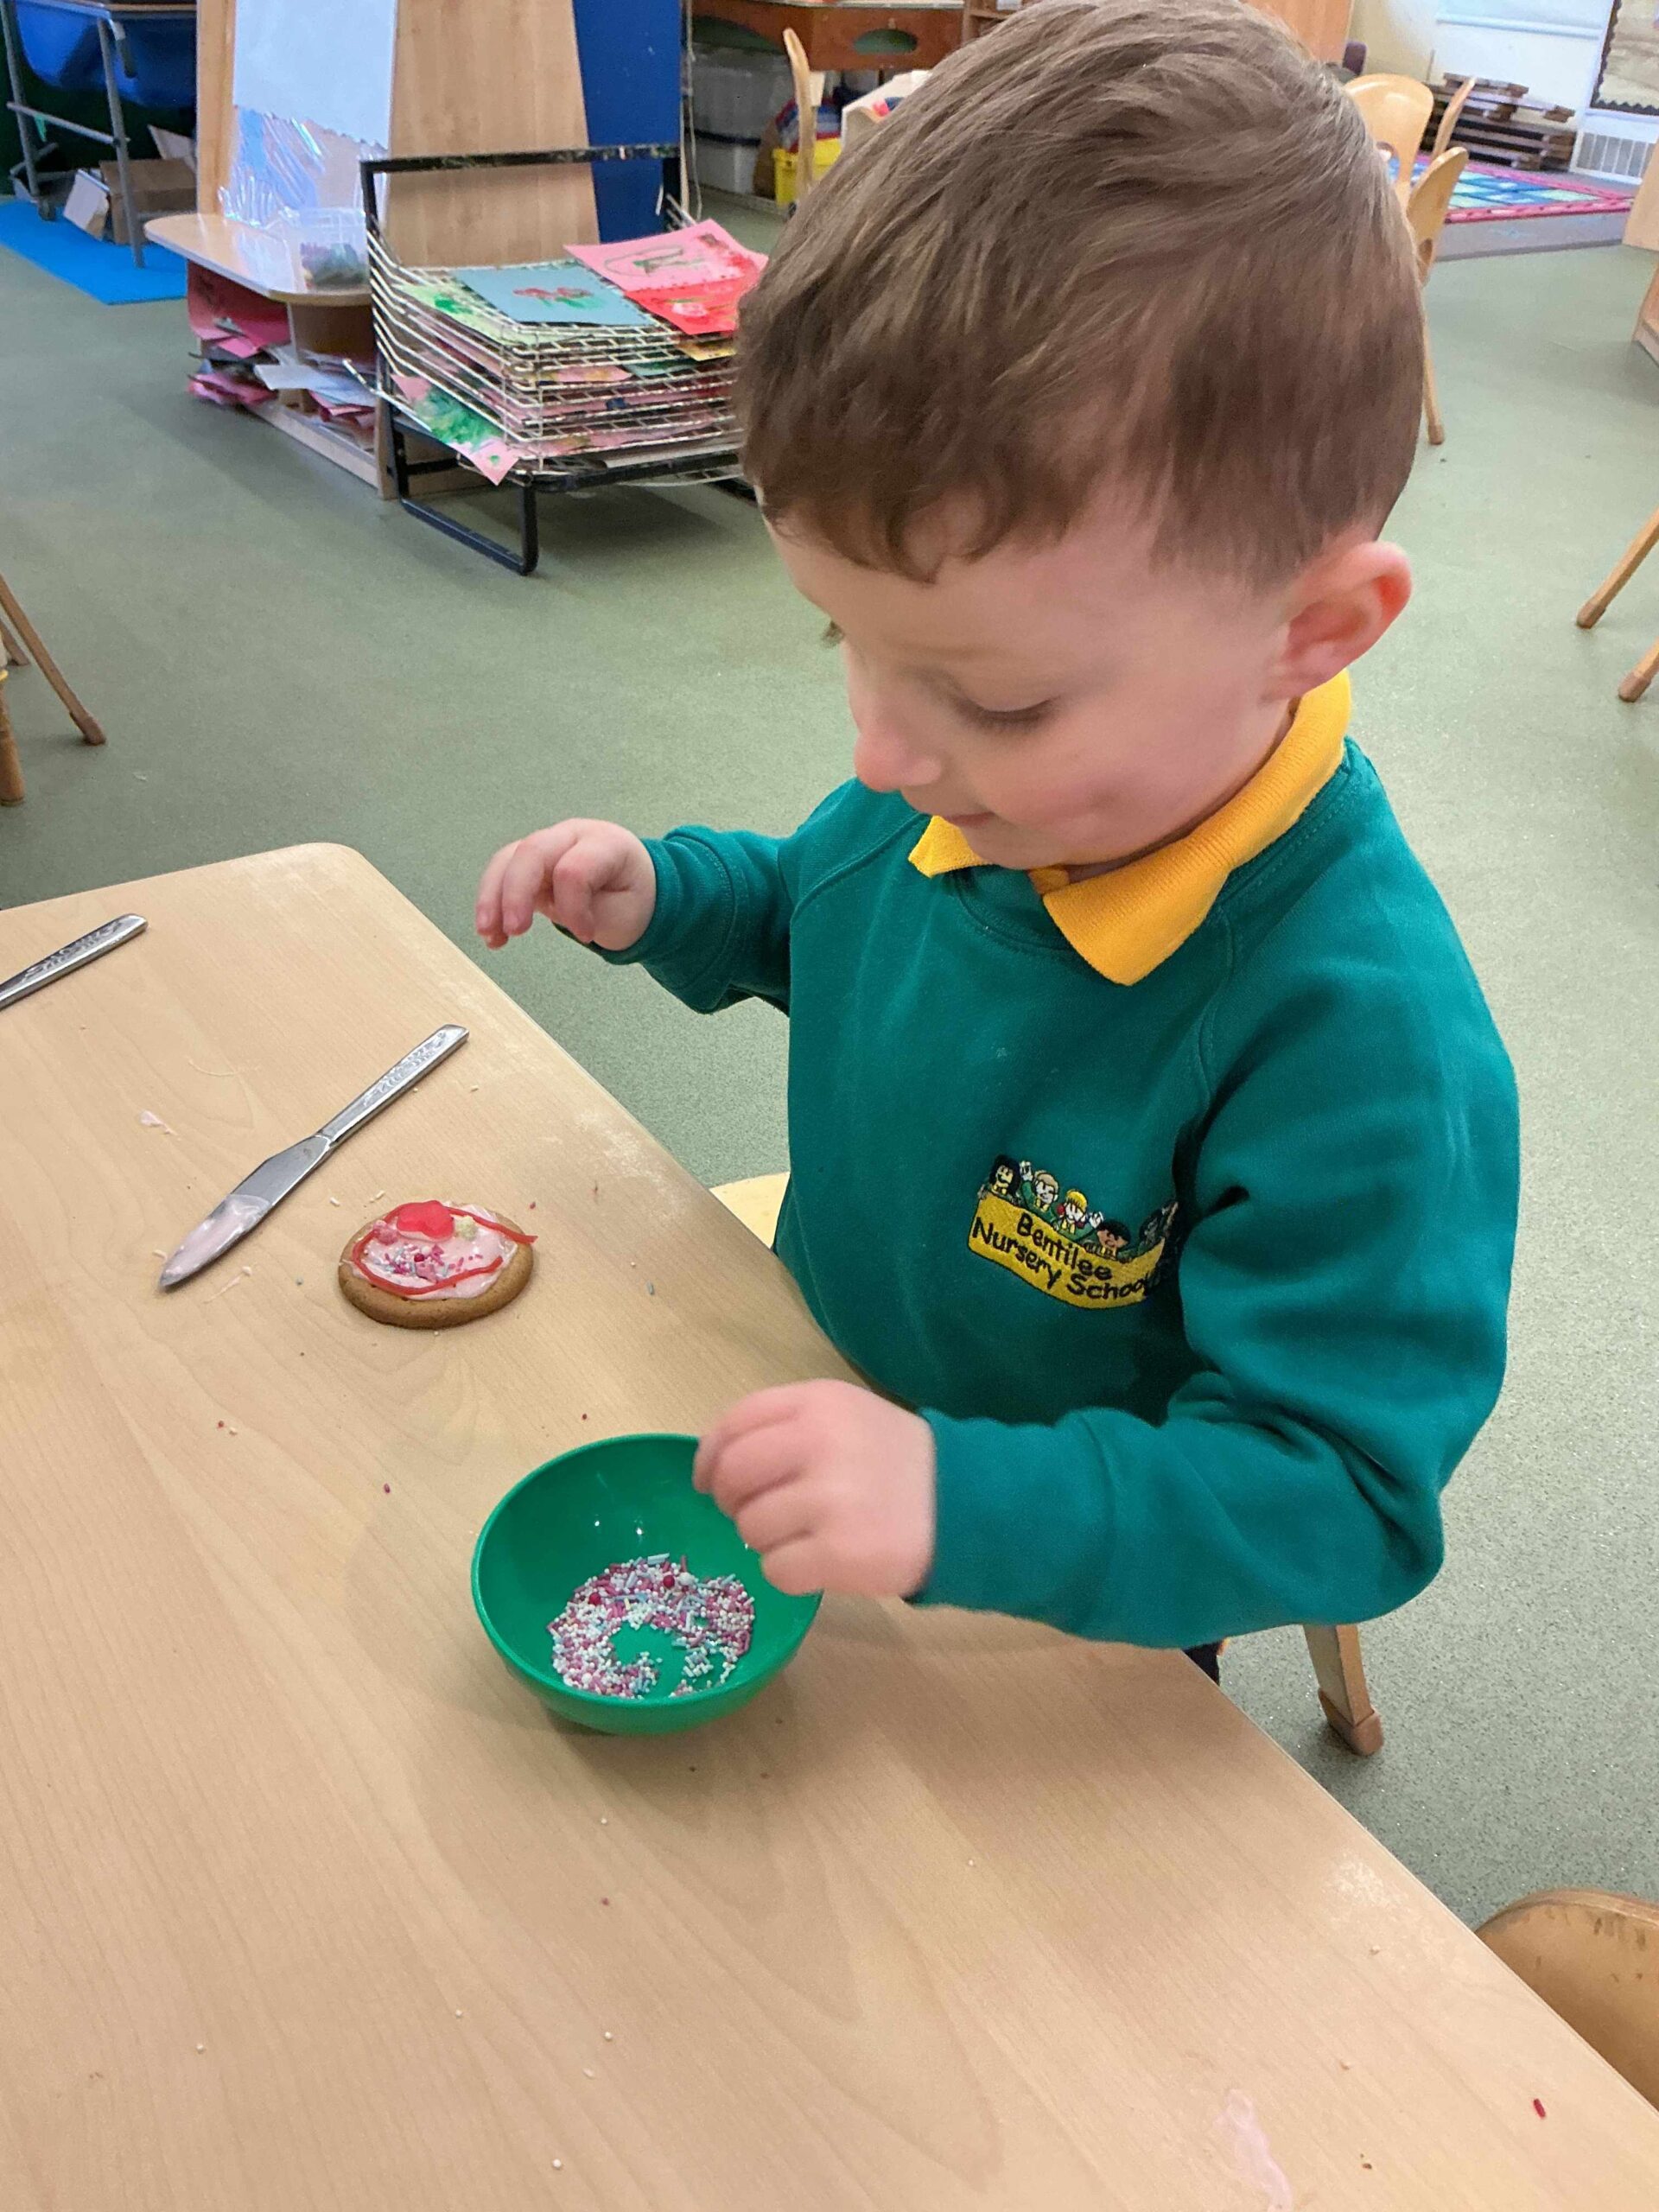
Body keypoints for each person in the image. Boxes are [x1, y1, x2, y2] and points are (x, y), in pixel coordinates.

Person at [474, 0, 1518, 1673]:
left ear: (1314, 632)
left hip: (1078, 1612)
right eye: (847, 641)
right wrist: (671, 895)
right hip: (829, 1406)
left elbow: (1343, 1492)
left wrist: (962, 1504)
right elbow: (819, 917)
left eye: (1000, 698)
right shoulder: (965, 789)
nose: (882, 753)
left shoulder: (1362, 1035)